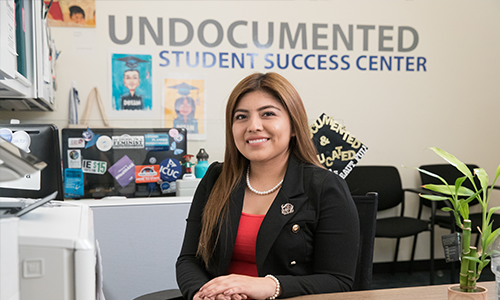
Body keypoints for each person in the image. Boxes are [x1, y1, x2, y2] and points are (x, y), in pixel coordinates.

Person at [176, 72, 360, 300]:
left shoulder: (325, 187)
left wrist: (269, 286)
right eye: (241, 117)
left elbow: (339, 281)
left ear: (294, 127)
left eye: (268, 114)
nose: (253, 126)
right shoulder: (216, 178)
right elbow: (189, 259)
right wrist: (201, 294)